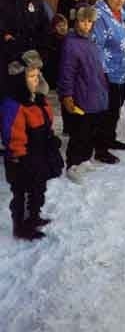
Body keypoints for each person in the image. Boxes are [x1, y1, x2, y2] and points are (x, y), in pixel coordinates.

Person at [0, 50, 63, 240]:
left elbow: (46, 123)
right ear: (20, 78)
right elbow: (13, 134)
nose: (35, 80)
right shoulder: (14, 105)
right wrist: (19, 156)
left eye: (37, 76)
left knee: (38, 189)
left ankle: (34, 217)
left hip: (39, 156)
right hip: (22, 160)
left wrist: (50, 139)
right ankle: (21, 226)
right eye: (30, 76)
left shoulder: (39, 100)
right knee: (22, 194)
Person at [58, 6, 111, 183]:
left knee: (91, 130)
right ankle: (73, 164)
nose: (86, 25)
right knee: (80, 132)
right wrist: (67, 95)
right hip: (81, 95)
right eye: (82, 21)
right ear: (76, 21)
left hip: (95, 93)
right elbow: (67, 72)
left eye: (89, 21)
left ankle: (85, 159)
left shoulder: (90, 41)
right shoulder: (70, 43)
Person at [93, 0, 125, 159]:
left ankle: (110, 138)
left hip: (122, 71)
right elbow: (96, 46)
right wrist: (102, 72)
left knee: (115, 109)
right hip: (106, 73)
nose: (120, 0)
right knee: (105, 111)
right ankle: (101, 149)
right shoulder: (99, 15)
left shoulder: (122, 13)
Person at [0, 0, 50, 99]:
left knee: (31, 96)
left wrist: (44, 51)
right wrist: (4, 36)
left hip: (31, 56)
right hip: (6, 57)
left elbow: (44, 25)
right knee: (9, 97)